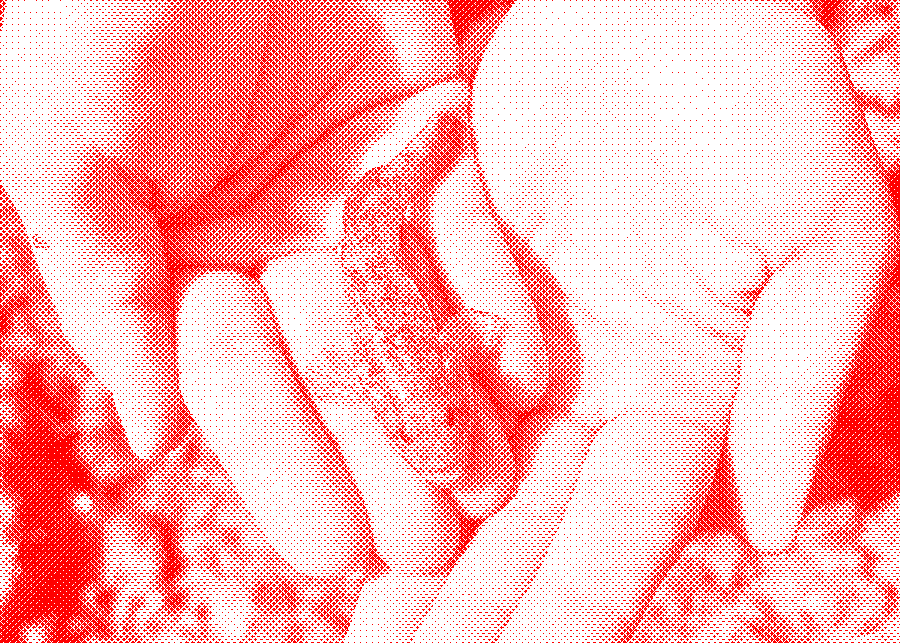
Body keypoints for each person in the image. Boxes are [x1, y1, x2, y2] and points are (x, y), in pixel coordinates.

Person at [0, 1, 895, 643]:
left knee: (395, 213)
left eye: (452, 439)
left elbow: (437, 344)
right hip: (365, 235)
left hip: (378, 237)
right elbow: (420, 352)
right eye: (449, 440)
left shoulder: (442, 371)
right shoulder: (433, 377)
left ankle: (452, 106)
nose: (457, 449)